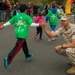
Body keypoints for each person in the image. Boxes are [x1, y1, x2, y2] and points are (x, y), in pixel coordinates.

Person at [0, 4, 44, 69]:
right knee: (17, 47)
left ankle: (27, 55)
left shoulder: (16, 16)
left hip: (18, 33)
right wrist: (39, 24)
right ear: (26, 10)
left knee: (24, 44)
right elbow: (31, 24)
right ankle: (8, 59)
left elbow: (9, 22)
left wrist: (3, 26)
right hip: (22, 35)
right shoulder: (26, 16)